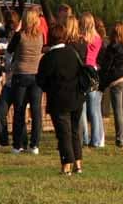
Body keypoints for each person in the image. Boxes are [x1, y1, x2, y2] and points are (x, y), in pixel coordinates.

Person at [36, 22, 85, 175]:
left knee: (63, 133)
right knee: (75, 131)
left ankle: (66, 165)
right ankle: (78, 164)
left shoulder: (48, 58)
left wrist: (50, 88)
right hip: (77, 97)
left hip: (59, 100)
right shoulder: (73, 52)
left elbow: (40, 81)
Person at [8, 7, 44, 154]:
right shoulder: (40, 35)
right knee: (36, 111)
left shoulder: (19, 35)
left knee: (19, 110)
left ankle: (18, 144)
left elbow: (9, 52)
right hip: (36, 75)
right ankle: (34, 144)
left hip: (21, 74)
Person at [98, 22, 123, 148]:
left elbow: (106, 66)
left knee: (118, 111)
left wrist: (102, 81)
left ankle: (120, 139)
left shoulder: (112, 47)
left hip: (116, 80)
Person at [0, 10, 20, 150]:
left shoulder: (19, 39)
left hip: (17, 82)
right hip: (9, 83)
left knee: (18, 113)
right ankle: (3, 140)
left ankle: (20, 142)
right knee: (1, 112)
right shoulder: (5, 39)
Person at [79, 12, 104, 149]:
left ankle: (85, 137)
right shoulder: (98, 38)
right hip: (93, 71)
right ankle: (96, 139)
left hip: (83, 71)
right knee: (94, 109)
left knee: (82, 108)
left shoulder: (81, 39)